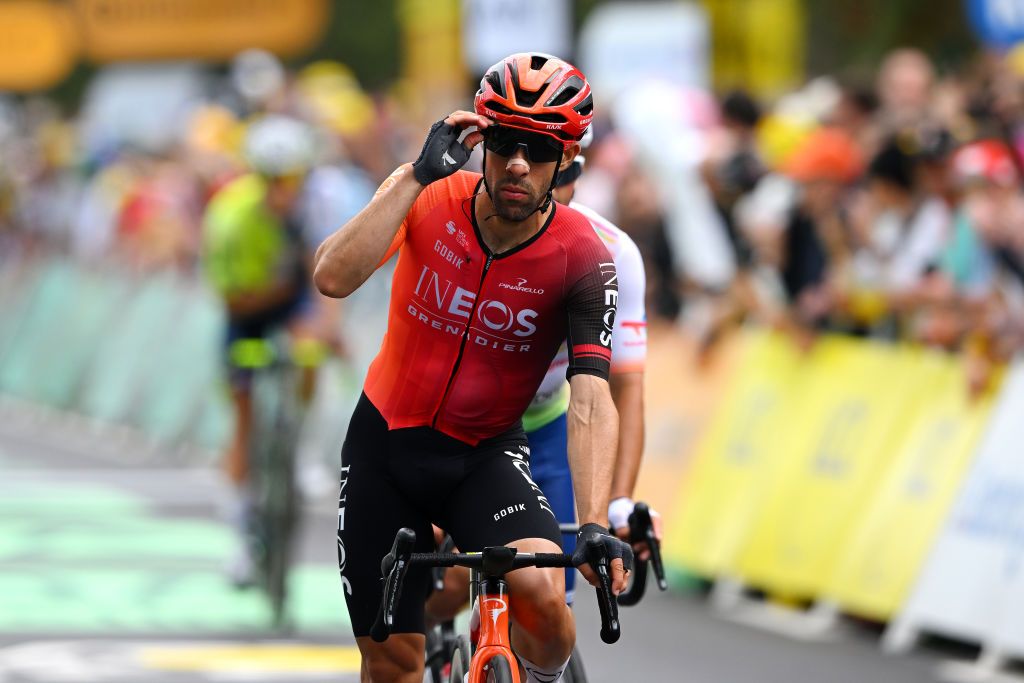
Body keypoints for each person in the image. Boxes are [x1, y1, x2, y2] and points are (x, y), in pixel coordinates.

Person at [313, 53, 632, 683]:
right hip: (384, 448)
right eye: (506, 144)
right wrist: (412, 177)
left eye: (538, 150)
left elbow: (592, 397)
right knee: (392, 662)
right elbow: (331, 276)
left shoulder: (582, 259)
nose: (518, 164)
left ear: (565, 160)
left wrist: (594, 521)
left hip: (483, 457)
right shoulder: (429, 193)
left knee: (542, 601)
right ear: (479, 141)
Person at [425, 129, 658, 627]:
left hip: (546, 424)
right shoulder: (465, 226)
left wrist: (618, 501)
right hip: (457, 423)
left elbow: (626, 388)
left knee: (550, 609)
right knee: (447, 590)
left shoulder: (614, 252)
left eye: (563, 173)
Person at [202, 114, 320, 585]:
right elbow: (232, 300)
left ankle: (300, 442)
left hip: (290, 299)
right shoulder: (229, 216)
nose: (285, 189)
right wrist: (281, 288)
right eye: (275, 180)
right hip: (246, 309)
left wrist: (323, 326)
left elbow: (324, 281)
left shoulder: (312, 207)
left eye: (293, 178)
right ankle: (243, 539)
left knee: (312, 348)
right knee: (244, 415)